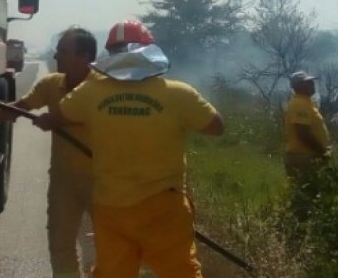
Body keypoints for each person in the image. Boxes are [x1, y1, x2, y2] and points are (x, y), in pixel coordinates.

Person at [36, 19, 224, 278]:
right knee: (180, 272)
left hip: (111, 207)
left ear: (110, 55)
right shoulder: (180, 94)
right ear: (149, 51)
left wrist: (46, 120)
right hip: (163, 208)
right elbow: (216, 127)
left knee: (113, 272)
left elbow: (58, 117)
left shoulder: (90, 92)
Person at [0, 27, 98, 278]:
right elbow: (16, 109)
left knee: (110, 247)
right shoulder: (52, 84)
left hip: (103, 181)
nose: (56, 55)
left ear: (84, 56)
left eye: (63, 51)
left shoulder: (104, 90)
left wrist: (57, 120)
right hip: (64, 182)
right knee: (61, 247)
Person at [284, 70, 331, 217]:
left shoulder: (304, 102)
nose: (312, 84)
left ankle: (298, 227)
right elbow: (303, 133)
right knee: (307, 197)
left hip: (304, 156)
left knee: (305, 195)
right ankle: (301, 229)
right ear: (299, 86)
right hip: (304, 157)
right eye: (308, 82)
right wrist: (322, 151)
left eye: (312, 81)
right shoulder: (300, 104)